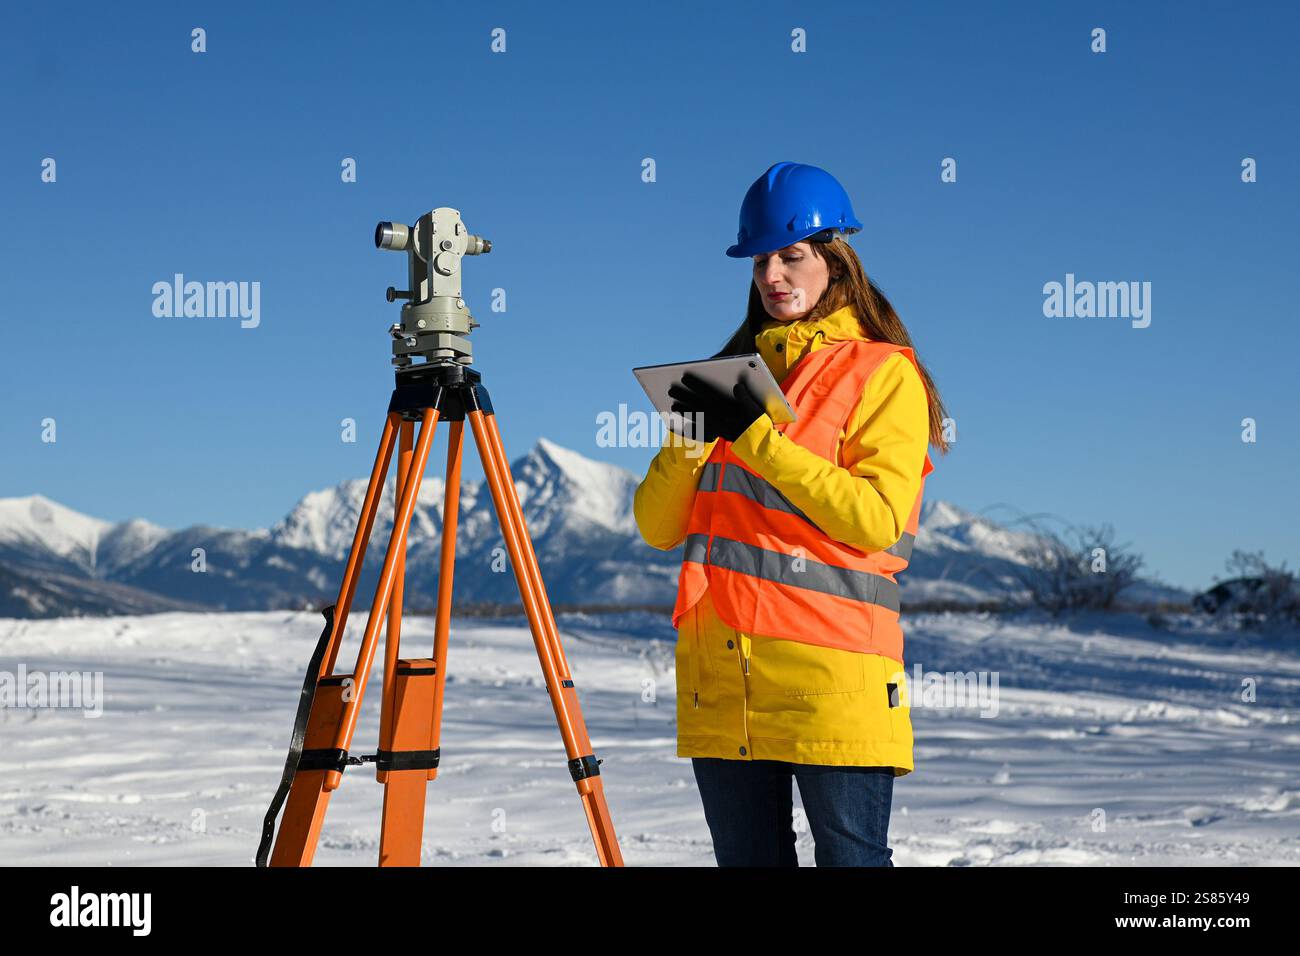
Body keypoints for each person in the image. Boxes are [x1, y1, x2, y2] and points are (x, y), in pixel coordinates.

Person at [633, 161, 950, 866]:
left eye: (791, 256)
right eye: (759, 260)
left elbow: (877, 519)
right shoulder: (721, 376)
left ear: (835, 261)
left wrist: (761, 445)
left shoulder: (881, 371)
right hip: (725, 679)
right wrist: (690, 442)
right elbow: (657, 528)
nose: (772, 274)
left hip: (831, 677)